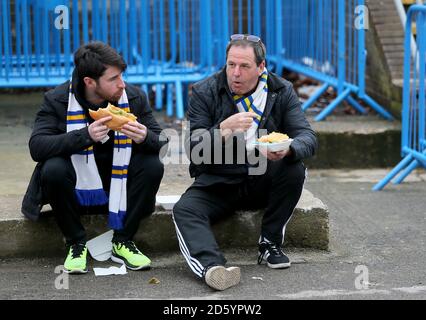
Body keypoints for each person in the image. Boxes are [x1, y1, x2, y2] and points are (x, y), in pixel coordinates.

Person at [172, 34, 317, 291]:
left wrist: (287, 149)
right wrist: (223, 129)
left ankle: (269, 243)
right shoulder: (205, 90)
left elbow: (307, 137)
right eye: (230, 65)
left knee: (294, 168)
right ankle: (212, 267)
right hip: (219, 180)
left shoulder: (281, 90)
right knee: (184, 209)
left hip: (261, 179)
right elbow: (193, 149)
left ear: (261, 68)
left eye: (244, 66)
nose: (235, 73)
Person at [22, 42, 167, 274]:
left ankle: (123, 240)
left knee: (152, 164)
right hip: (76, 192)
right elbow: (37, 147)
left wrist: (146, 137)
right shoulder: (57, 99)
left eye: (121, 76)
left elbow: (163, 143)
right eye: (113, 79)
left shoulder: (133, 97)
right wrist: (84, 136)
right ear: (90, 82)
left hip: (118, 194)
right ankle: (76, 242)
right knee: (53, 168)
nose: (122, 84)